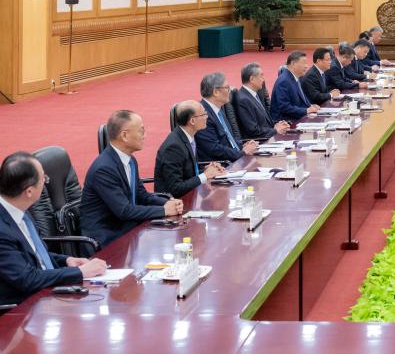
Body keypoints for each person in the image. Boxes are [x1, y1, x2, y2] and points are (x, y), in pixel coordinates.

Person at [0, 152, 108, 305]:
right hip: (21, 307)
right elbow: (27, 279)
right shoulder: (3, 229)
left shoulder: (19, 208)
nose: (45, 182)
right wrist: (79, 273)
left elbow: (35, 254)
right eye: (44, 178)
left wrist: (67, 260)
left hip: (44, 291)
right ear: (29, 191)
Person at [81, 111, 184, 247]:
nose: (145, 135)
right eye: (141, 131)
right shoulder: (104, 169)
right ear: (124, 135)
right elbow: (124, 211)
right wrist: (164, 211)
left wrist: (167, 203)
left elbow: (141, 195)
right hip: (107, 238)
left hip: (127, 227)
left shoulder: (130, 160)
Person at [154, 101, 227, 198]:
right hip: (176, 203)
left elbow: (187, 173)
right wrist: (205, 175)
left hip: (192, 196)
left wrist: (207, 170)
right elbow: (175, 189)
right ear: (192, 121)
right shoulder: (173, 147)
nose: (207, 117)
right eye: (204, 114)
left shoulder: (187, 137)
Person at [196, 72, 258, 163]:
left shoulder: (219, 109)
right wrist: (242, 153)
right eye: (227, 88)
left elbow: (228, 139)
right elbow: (214, 149)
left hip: (233, 159)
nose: (229, 91)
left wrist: (242, 145)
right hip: (221, 166)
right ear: (216, 92)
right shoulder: (202, 114)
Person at [235, 62, 290, 140]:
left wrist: (278, 124)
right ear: (252, 79)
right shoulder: (243, 100)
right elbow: (252, 130)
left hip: (267, 136)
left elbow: (265, 121)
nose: (263, 79)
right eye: (261, 76)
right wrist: (274, 130)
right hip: (259, 142)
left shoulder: (256, 94)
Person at [271, 51, 320, 122]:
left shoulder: (296, 77)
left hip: (296, 117)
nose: (306, 66)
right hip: (286, 121)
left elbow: (301, 98)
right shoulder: (284, 81)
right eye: (304, 63)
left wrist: (310, 106)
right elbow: (285, 107)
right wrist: (307, 110)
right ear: (293, 64)